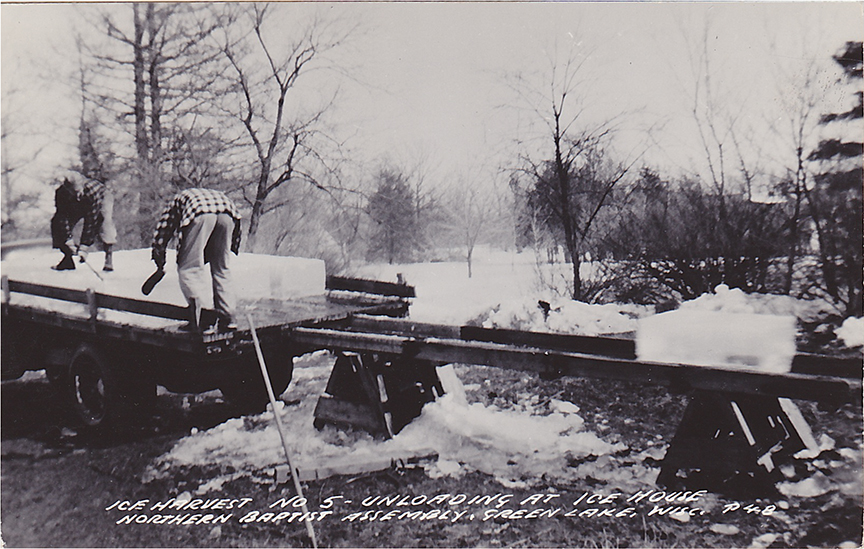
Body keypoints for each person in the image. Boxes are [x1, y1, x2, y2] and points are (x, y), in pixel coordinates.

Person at [151, 188, 242, 333]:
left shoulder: (175, 202)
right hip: (228, 213)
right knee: (221, 267)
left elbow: (163, 231)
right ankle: (228, 318)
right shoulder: (206, 194)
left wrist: (159, 257)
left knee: (189, 268)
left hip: (200, 212)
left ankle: (204, 319)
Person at [50, 171, 117, 272]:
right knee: (56, 223)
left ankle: (108, 260)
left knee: (105, 223)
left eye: (78, 191)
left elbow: (91, 221)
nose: (77, 195)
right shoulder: (61, 194)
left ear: (82, 185)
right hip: (76, 204)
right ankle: (68, 259)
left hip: (102, 198)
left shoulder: (91, 192)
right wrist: (68, 240)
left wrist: (84, 247)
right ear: (67, 189)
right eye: (73, 192)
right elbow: (62, 217)